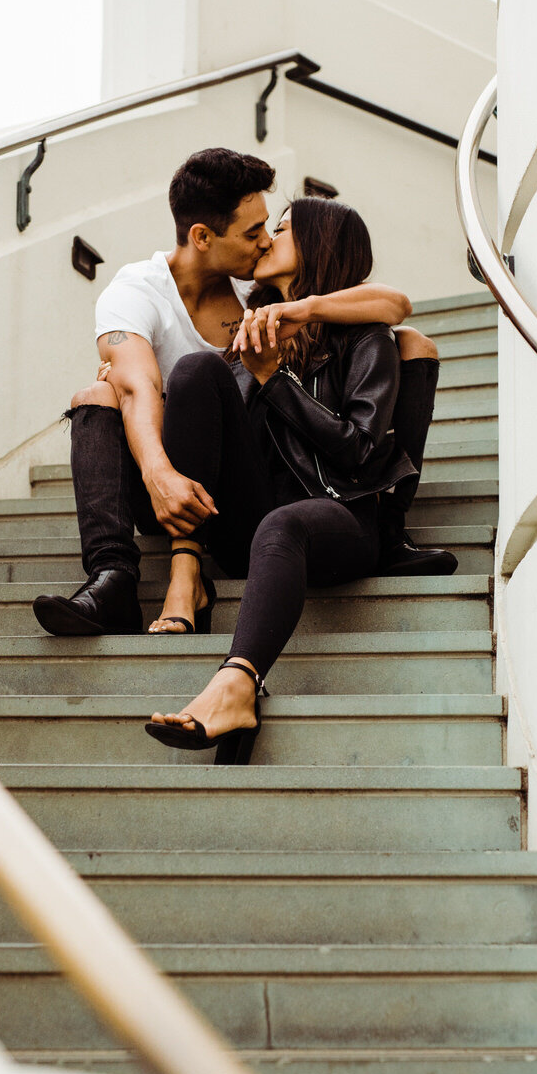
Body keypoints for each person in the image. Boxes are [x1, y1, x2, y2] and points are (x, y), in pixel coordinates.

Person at [32, 146, 453, 640]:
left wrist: (303, 313)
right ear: (203, 237)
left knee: (410, 343)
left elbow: (393, 303)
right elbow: (136, 387)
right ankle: (114, 578)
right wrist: (159, 473)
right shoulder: (138, 291)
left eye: (273, 230)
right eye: (255, 233)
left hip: (242, 481)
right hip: (165, 480)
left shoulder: (256, 290)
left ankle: (387, 525)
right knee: (99, 394)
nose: (263, 243)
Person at [145, 196, 414, 765]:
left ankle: (239, 685)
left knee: (283, 523)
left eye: (283, 230)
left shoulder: (367, 340)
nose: (266, 240)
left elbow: (359, 452)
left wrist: (275, 380)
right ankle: (186, 565)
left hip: (337, 515)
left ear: (317, 246)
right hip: (253, 521)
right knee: (196, 370)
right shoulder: (251, 328)